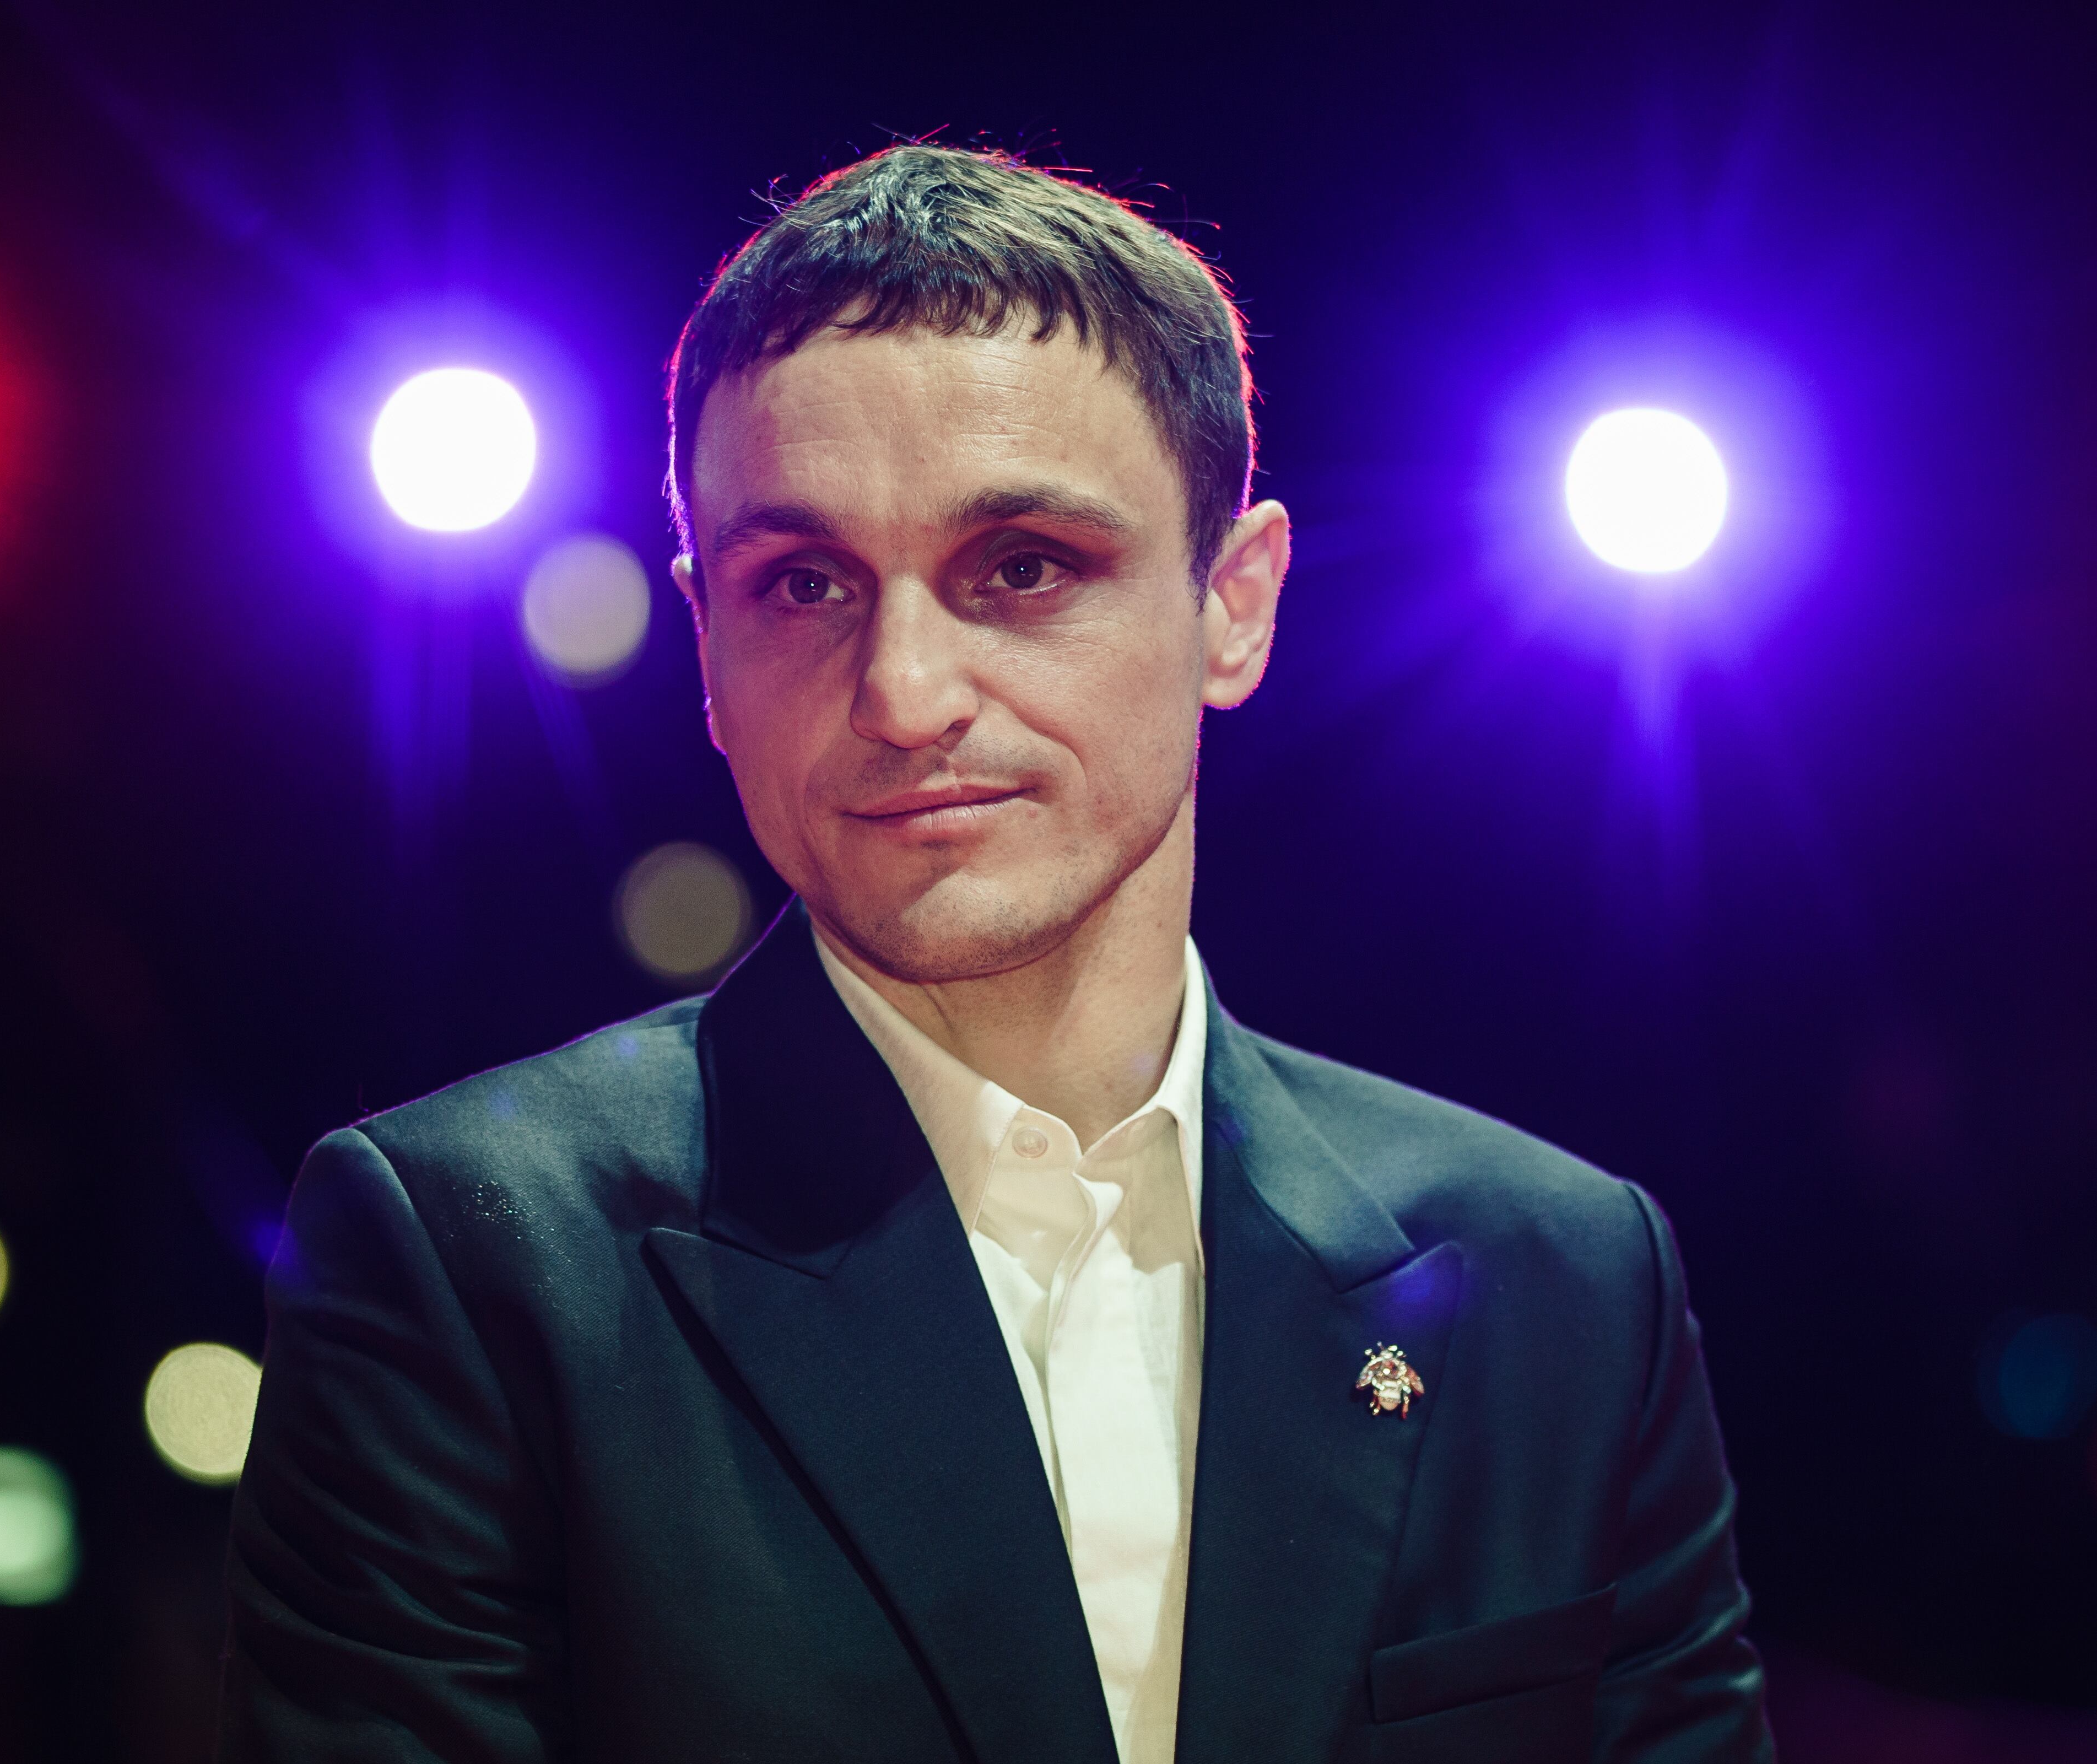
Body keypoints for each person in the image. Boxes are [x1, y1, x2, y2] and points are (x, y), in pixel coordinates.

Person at [218, 143, 1772, 1764]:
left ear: (1232, 606)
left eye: (1020, 567)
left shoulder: (1563, 1273)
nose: (901, 691)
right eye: (802, 582)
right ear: (706, 646)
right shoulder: (471, 1258)